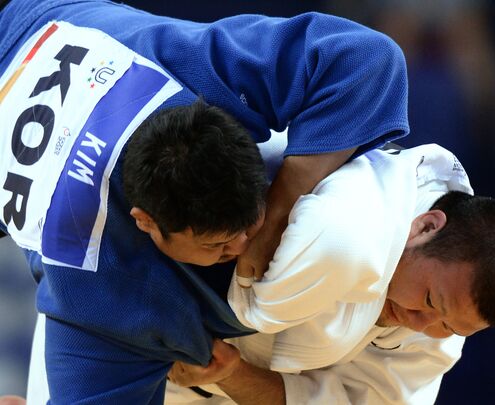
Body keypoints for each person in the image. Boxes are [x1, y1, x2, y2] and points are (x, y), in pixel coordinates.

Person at [0, 0, 410, 403]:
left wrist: (279, 213)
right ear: (145, 222)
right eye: (216, 245)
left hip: (39, 17)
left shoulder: (200, 70)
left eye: (249, 225)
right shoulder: (90, 280)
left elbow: (369, 58)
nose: (242, 248)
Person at [165, 139, 495, 404]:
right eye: (429, 299)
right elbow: (256, 307)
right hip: (174, 271)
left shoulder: (444, 321)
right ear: (425, 226)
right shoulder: (359, 216)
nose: (421, 324)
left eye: (450, 327)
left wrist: (231, 374)